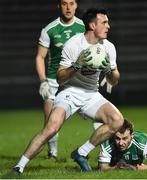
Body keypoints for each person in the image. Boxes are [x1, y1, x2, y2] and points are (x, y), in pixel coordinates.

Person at [13, 8, 124, 174]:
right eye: (104, 22)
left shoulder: (109, 47)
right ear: (93, 25)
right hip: (69, 92)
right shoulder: (74, 44)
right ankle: (18, 167)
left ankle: (81, 153)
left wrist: (110, 71)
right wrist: (76, 65)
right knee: (51, 128)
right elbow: (60, 78)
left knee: (117, 120)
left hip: (91, 94)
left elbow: (114, 79)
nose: (108, 26)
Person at [36, 0, 85, 159]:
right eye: (64, 3)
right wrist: (43, 81)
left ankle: (89, 153)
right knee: (50, 118)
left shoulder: (84, 26)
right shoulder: (49, 29)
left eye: (72, 3)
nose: (68, 7)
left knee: (98, 114)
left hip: (78, 79)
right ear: (59, 6)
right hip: (53, 80)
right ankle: (53, 154)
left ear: (76, 5)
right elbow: (40, 56)